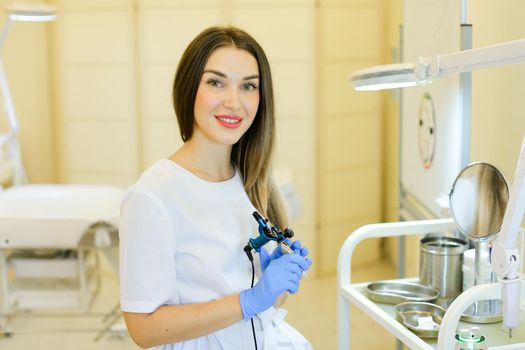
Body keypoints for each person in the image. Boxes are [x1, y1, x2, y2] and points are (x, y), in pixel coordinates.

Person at [119, 26, 313, 350]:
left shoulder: (253, 181)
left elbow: (265, 307)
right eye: (216, 82)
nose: (234, 102)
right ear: (189, 89)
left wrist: (276, 282)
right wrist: (249, 299)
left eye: (249, 86)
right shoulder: (152, 197)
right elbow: (144, 328)